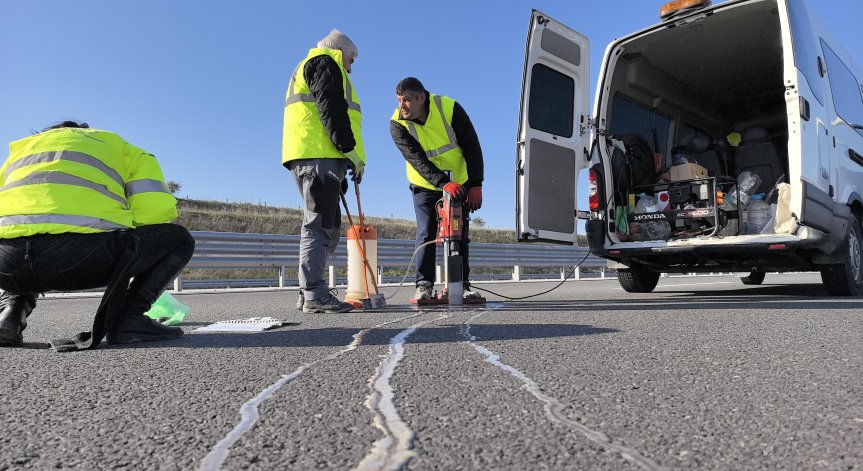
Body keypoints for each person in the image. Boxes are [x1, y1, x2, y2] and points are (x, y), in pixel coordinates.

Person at [0, 121, 195, 352]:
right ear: (85, 131)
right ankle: (128, 319)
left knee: (22, 236)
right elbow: (154, 213)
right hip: (80, 259)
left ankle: (9, 316)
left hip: (5, 265)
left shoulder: (20, 152)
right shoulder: (119, 147)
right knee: (179, 239)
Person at [283, 29, 365, 313]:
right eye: (351, 60)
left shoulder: (316, 65)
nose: (351, 68)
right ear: (340, 50)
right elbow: (331, 109)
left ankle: (308, 291)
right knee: (319, 224)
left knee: (328, 226)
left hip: (317, 155)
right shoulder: (324, 62)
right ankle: (314, 291)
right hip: (320, 154)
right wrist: (349, 151)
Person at [389, 77, 484, 301]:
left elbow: (472, 147)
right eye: (399, 100)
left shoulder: (449, 108)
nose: (401, 106)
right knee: (426, 231)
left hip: (459, 182)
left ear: (422, 97)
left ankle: (461, 285)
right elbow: (417, 160)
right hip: (424, 183)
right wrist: (442, 183)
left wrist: (476, 184)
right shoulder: (397, 124)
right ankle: (424, 286)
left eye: (407, 100)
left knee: (458, 232)